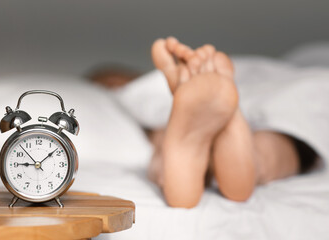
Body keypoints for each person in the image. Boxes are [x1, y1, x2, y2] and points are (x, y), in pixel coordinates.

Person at [89, 37, 320, 208]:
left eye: (114, 82)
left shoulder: (143, 92)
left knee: (164, 137)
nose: (114, 87)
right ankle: (239, 140)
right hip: (275, 111)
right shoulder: (142, 97)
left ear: (134, 76)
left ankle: (179, 159)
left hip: (174, 118)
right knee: (277, 143)